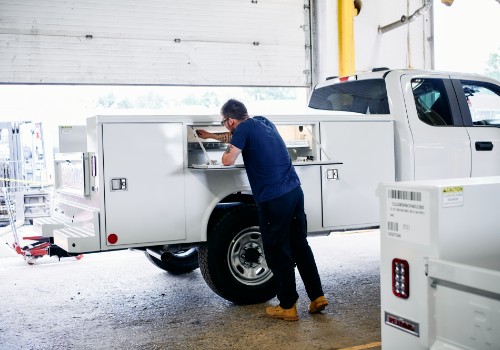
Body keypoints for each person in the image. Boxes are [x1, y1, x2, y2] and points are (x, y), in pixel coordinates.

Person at [196, 99, 328, 321]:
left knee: (277, 250)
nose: (225, 126)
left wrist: (223, 152)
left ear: (230, 120)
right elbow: (236, 137)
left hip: (274, 198)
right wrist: (210, 135)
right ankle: (317, 297)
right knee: (299, 245)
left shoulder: (243, 129)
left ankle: (288, 305)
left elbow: (228, 160)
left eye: (224, 122)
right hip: (294, 192)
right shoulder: (262, 122)